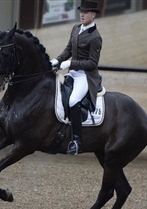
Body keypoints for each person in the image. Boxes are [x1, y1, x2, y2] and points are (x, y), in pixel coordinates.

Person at [50, 0, 102, 155]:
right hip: (72, 72)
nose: (82, 14)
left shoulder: (96, 37)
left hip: (85, 76)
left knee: (73, 100)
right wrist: (57, 60)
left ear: (93, 15)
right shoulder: (75, 28)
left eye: (86, 12)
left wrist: (70, 64)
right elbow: (68, 49)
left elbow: (92, 63)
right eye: (81, 12)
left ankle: (77, 141)